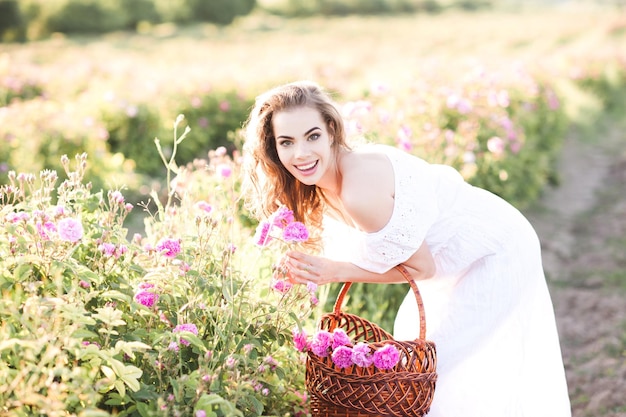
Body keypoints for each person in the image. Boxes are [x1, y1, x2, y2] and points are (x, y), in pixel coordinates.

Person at [241, 80, 571, 417]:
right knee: (419, 354)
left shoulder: (358, 190)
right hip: (453, 262)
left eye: (312, 136)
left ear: (330, 130)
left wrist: (336, 271)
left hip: (494, 250)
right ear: (275, 149)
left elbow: (421, 268)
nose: (301, 153)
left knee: (430, 372)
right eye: (287, 142)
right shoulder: (323, 186)